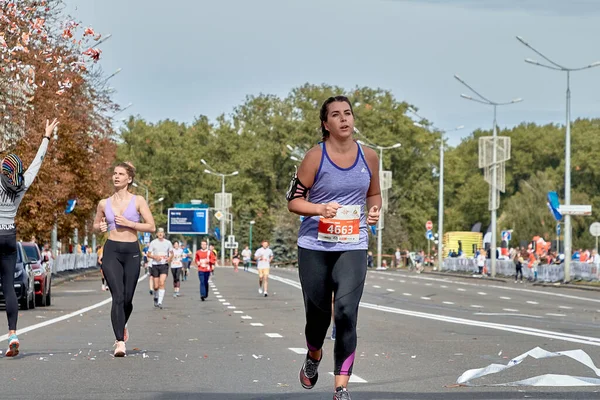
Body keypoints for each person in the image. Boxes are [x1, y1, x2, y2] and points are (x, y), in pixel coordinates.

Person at [287, 96, 381, 400]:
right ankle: (314, 355)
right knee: (317, 320)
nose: (344, 119)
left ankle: (341, 387)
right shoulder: (315, 157)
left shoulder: (369, 156)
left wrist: (375, 210)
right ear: (326, 124)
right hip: (315, 245)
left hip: (353, 243)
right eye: (336, 115)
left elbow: (374, 194)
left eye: (348, 113)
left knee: (345, 312)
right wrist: (318, 209)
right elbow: (293, 201)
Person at [0, 118, 59, 356]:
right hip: (9, 237)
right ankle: (13, 333)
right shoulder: (21, 185)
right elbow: (37, 163)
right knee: (8, 288)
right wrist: (46, 137)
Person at [93, 161, 156, 357]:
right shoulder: (104, 203)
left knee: (128, 299)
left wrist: (130, 223)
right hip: (111, 250)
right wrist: (100, 227)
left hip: (132, 251)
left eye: (121, 174)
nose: (116, 177)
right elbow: (95, 225)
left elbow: (151, 226)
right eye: (114, 173)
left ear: (129, 179)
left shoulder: (138, 201)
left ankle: (122, 324)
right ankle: (120, 342)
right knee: (118, 296)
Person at [147, 228, 173, 309]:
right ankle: (156, 296)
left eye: (162, 232)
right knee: (156, 286)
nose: (161, 234)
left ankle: (160, 302)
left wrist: (169, 258)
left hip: (164, 265)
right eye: (159, 232)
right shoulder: (153, 243)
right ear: (157, 234)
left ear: (164, 234)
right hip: (155, 265)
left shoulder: (168, 243)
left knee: (162, 282)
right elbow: (148, 254)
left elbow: (172, 253)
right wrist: (154, 256)